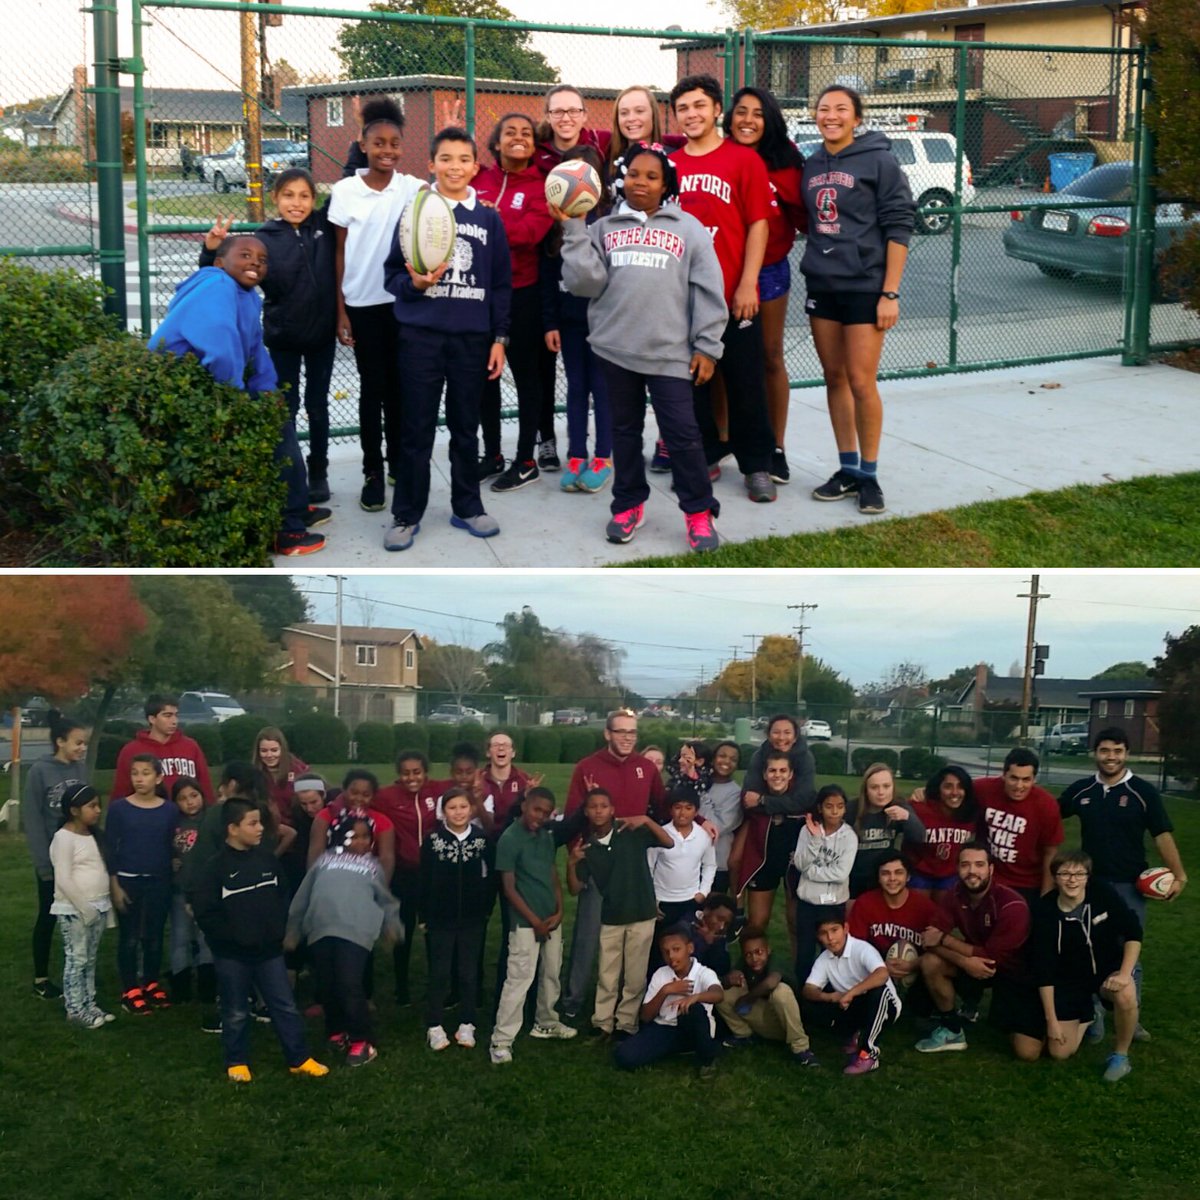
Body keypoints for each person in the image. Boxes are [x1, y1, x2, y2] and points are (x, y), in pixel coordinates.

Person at [558, 141, 727, 552]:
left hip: (671, 354)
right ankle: (629, 503)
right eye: (634, 174)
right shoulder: (601, 229)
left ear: (666, 183)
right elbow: (585, 284)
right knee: (624, 432)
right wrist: (574, 227)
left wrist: (707, 346)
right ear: (622, 177)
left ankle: (698, 512)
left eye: (652, 177)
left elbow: (708, 290)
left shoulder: (688, 229)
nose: (641, 183)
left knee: (683, 436)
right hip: (616, 351)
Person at [149, 234, 324, 555]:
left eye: (262, 259)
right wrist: (238, 400)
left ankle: (295, 507)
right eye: (245, 255)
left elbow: (255, 349)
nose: (255, 262)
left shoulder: (247, 296)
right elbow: (221, 345)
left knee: (280, 420)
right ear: (219, 262)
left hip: (208, 384)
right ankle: (287, 530)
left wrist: (267, 391)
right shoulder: (216, 286)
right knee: (276, 436)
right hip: (178, 391)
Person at [382, 126, 511, 551]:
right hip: (420, 338)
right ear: (431, 164)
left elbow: (500, 285)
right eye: (446, 159)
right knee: (415, 429)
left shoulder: (489, 218)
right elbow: (392, 276)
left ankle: (467, 506)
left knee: (465, 428)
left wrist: (499, 338)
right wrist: (415, 285)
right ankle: (406, 514)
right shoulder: (417, 211)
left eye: (463, 160)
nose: (454, 167)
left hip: (471, 341)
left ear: (476, 167)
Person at [801, 85, 914, 515]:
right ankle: (847, 468)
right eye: (824, 108)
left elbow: (899, 224)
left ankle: (869, 475)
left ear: (857, 117)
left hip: (866, 286)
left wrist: (890, 291)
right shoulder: (811, 163)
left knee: (861, 380)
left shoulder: (879, 159)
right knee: (834, 378)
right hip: (823, 283)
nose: (830, 116)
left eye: (840, 109)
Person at [669, 74, 778, 504]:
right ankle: (707, 455)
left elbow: (758, 224)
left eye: (699, 106)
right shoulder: (670, 164)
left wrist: (748, 282)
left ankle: (757, 465)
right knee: (691, 385)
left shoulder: (743, 161)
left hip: (732, 294)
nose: (691, 114)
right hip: (683, 298)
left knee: (745, 384)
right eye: (683, 108)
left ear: (718, 110)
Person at [199, 167, 337, 502]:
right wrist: (210, 248)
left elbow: (349, 180)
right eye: (288, 195)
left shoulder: (324, 226)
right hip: (283, 337)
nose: (296, 203)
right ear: (274, 198)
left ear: (314, 200)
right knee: (284, 408)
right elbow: (226, 271)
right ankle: (289, 475)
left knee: (318, 407)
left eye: (305, 196)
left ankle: (319, 472)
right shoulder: (264, 238)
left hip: (321, 335)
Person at [329, 96, 426, 513]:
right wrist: (341, 310)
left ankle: (397, 465)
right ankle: (372, 471)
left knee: (402, 391)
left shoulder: (412, 188)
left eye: (395, 143)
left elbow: (453, 177)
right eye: (379, 143)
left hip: (402, 304)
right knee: (373, 390)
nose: (387, 150)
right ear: (363, 146)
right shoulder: (346, 190)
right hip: (363, 305)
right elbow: (338, 253)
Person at [1059, 726, 1185, 1041]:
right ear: (1095, 754)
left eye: (1117, 750)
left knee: (1128, 950)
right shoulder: (1082, 790)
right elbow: (1047, 814)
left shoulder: (1143, 792)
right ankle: (1093, 1014)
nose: (1110, 757)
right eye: (1104, 750)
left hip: (1129, 886)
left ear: (1126, 753)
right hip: (1088, 886)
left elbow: (1162, 834)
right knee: (1085, 947)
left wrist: (1178, 874)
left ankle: (1132, 1015)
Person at [189, 798, 328, 1083]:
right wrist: (232, 939)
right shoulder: (215, 868)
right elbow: (206, 913)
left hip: (269, 952)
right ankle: (236, 1061)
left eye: (260, 822)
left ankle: (299, 1058)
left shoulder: (266, 859)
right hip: (232, 956)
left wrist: (278, 930)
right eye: (252, 823)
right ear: (232, 829)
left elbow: (282, 896)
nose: (260, 828)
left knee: (284, 1005)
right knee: (236, 1009)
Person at [724, 86, 806, 484]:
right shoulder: (719, 154)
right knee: (719, 360)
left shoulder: (786, 162)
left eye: (757, 113)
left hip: (769, 270)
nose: (748, 120)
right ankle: (722, 440)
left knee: (770, 356)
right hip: (721, 272)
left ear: (769, 119)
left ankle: (776, 446)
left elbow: (808, 217)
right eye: (741, 112)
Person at [562, 708, 667, 1020]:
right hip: (597, 863)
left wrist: (699, 820)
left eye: (632, 733)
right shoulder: (587, 767)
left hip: (632, 869)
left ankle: (623, 1008)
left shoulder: (645, 767)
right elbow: (572, 814)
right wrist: (580, 856)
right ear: (608, 733)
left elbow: (664, 807)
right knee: (588, 936)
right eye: (621, 732)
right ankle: (572, 1002)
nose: (627, 738)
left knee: (628, 940)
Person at [475, 112, 556, 491]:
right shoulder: (480, 180)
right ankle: (492, 454)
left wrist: (491, 223)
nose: (518, 137)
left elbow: (530, 233)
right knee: (484, 378)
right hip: (479, 294)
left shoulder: (542, 186)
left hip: (523, 293)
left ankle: (526, 459)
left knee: (527, 377)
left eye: (526, 133)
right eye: (510, 132)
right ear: (496, 142)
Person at [286, 809, 400, 1068]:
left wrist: (391, 925)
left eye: (365, 837)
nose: (361, 842)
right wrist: (293, 930)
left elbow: (386, 900)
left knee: (349, 984)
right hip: (321, 930)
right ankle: (337, 1030)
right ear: (338, 836)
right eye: (354, 836)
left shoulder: (372, 867)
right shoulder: (323, 862)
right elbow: (302, 897)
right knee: (327, 985)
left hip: (355, 932)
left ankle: (362, 1040)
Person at [1014, 849, 1142, 1082]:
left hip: (1105, 972)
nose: (1072, 880)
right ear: (1055, 877)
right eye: (1064, 873)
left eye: (1079, 873)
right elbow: (1044, 968)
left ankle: (1120, 1056)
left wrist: (1124, 974)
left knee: (1126, 993)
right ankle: (1089, 1015)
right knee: (1059, 1052)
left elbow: (1133, 931)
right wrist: (1052, 1021)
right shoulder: (1044, 910)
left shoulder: (1103, 893)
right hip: (1067, 982)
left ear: (1088, 876)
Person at [565, 787, 674, 1040]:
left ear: (612, 809)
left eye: (604, 806)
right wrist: (571, 864)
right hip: (611, 916)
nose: (599, 811)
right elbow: (574, 888)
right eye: (593, 807)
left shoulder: (630, 832)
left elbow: (668, 842)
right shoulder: (587, 847)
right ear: (586, 812)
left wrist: (646, 819)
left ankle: (626, 1023)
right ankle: (602, 1022)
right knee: (607, 973)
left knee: (634, 975)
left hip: (641, 912)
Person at [540, 145, 613, 495]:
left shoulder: (606, 224)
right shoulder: (554, 227)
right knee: (576, 389)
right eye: (569, 175)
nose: (576, 184)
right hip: (569, 323)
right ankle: (576, 455)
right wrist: (551, 321)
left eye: (584, 176)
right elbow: (547, 277)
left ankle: (604, 457)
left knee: (603, 390)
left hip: (602, 325)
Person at [489, 787, 579, 1063]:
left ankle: (546, 1022)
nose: (539, 816)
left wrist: (560, 909)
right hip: (526, 923)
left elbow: (552, 874)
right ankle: (501, 1040)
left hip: (550, 919)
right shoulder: (509, 838)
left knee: (551, 974)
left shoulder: (545, 836)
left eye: (546, 812)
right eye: (536, 809)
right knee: (519, 979)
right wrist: (534, 921)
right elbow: (509, 888)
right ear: (525, 805)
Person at [915, 842, 1031, 1053]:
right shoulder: (954, 893)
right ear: (957, 868)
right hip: (975, 962)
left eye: (979, 865)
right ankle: (952, 1030)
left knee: (1024, 1049)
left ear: (991, 869)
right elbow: (929, 938)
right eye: (965, 865)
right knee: (930, 962)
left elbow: (991, 957)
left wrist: (946, 940)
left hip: (1014, 973)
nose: (972, 871)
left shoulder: (1011, 904)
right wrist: (964, 962)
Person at [419, 786, 496, 1052]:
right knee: (439, 972)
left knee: (468, 972)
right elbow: (424, 879)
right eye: (452, 808)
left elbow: (491, 877)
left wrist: (486, 908)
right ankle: (435, 1025)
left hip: (473, 918)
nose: (458, 812)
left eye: (463, 807)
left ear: (471, 809)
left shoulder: (482, 839)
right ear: (443, 812)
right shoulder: (432, 841)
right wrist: (424, 916)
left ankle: (467, 1022)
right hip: (440, 919)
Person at [23, 712, 90, 1000]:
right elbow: (33, 818)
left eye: (84, 743)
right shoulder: (39, 771)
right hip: (53, 858)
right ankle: (41, 978)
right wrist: (43, 863)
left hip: (80, 854)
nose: (82, 748)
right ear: (60, 742)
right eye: (77, 743)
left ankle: (77, 970)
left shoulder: (80, 768)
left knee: (78, 914)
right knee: (49, 915)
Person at [107, 754, 179, 1015]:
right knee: (129, 937)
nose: (139, 778)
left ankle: (150, 982)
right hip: (128, 880)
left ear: (158, 777)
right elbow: (110, 849)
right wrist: (114, 884)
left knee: (154, 936)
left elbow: (173, 844)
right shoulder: (118, 809)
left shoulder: (169, 810)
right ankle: (129, 988)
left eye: (146, 773)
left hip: (159, 881)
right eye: (135, 773)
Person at [371, 752, 441, 1004]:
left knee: (433, 928)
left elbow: (463, 784)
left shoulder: (436, 790)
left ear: (425, 772)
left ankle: (438, 983)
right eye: (406, 773)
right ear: (399, 774)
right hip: (404, 873)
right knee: (404, 930)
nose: (412, 778)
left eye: (417, 772)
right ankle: (402, 987)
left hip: (433, 873)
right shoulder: (387, 796)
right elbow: (360, 799)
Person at [613, 924, 724, 1076]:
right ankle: (674, 1049)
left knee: (694, 1009)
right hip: (665, 1028)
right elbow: (646, 1016)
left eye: (676, 949)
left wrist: (694, 997)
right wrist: (666, 991)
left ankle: (707, 1059)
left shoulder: (703, 973)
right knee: (624, 1056)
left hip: (695, 1029)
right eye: (666, 952)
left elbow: (718, 994)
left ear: (690, 948)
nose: (671, 956)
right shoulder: (661, 974)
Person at [801, 913, 902, 1074]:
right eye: (824, 933)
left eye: (835, 930)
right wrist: (829, 996)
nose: (830, 938)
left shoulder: (862, 949)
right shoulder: (824, 959)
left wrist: (851, 993)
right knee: (808, 1003)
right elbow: (809, 989)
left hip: (885, 1006)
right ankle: (855, 1034)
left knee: (878, 990)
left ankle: (868, 1053)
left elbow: (882, 974)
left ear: (846, 928)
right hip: (853, 1005)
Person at [49, 784, 114, 1029]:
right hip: (74, 910)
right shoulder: (63, 838)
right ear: (74, 810)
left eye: (99, 805)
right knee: (77, 958)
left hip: (98, 906)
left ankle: (89, 1002)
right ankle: (74, 1008)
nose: (98, 810)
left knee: (90, 957)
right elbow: (63, 878)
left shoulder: (93, 836)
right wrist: (84, 908)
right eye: (92, 806)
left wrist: (102, 909)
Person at [733, 747, 812, 935]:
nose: (778, 775)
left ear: (791, 774)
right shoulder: (751, 798)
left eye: (783, 770)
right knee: (757, 923)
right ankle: (754, 963)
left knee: (796, 923)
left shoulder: (802, 799)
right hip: (763, 864)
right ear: (764, 774)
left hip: (794, 864)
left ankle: (799, 965)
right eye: (772, 770)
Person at [974, 748, 1064, 903]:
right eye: (1013, 778)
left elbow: (1051, 853)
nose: (1019, 786)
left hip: (1027, 883)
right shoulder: (985, 788)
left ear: (1034, 779)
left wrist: (1046, 896)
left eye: (1026, 779)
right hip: (989, 878)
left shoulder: (1046, 805)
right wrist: (927, 792)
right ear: (1004, 775)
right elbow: (954, 787)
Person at [718, 926, 817, 1065]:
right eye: (748, 954)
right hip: (764, 1015)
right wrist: (728, 979)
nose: (754, 958)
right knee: (721, 993)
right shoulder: (745, 963)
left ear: (768, 950)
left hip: (788, 1022)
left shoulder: (776, 961)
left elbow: (771, 983)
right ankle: (744, 1035)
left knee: (780, 992)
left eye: (759, 952)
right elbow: (728, 979)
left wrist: (746, 999)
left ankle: (801, 1048)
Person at [793, 785, 858, 985]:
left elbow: (841, 874)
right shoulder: (808, 829)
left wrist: (811, 872)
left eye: (840, 806)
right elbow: (799, 863)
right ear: (820, 808)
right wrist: (815, 840)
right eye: (829, 806)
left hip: (833, 904)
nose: (835, 811)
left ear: (845, 808)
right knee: (805, 952)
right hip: (808, 904)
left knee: (832, 950)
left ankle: (831, 988)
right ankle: (803, 990)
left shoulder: (849, 837)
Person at [848, 852, 938, 989]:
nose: (892, 878)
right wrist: (880, 965)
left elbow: (938, 949)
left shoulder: (925, 907)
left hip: (916, 968)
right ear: (878, 877)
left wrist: (913, 964)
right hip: (874, 968)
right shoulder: (865, 903)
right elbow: (855, 946)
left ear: (908, 877)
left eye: (898, 873)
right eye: (885, 873)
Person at [167, 778, 216, 1019]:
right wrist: (170, 860)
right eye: (183, 798)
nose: (190, 802)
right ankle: (180, 987)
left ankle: (208, 986)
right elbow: (162, 848)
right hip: (179, 890)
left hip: (206, 890)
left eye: (194, 796)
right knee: (180, 937)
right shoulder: (172, 823)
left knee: (206, 937)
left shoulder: (211, 821)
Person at [110, 694, 214, 805]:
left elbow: (205, 785)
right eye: (167, 715)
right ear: (152, 719)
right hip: (149, 817)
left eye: (176, 715)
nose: (174, 721)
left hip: (187, 817)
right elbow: (121, 791)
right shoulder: (131, 750)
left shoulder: (191, 746)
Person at [847, 762, 925, 901]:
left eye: (886, 786)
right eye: (874, 787)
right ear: (866, 790)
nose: (881, 792)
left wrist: (907, 817)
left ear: (893, 787)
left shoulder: (899, 806)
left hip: (884, 878)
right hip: (854, 876)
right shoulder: (852, 809)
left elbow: (919, 837)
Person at [649, 791, 717, 931]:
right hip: (662, 900)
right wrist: (651, 899)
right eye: (678, 807)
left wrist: (703, 892)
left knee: (687, 941)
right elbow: (648, 866)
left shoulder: (704, 836)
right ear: (671, 810)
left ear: (696, 811)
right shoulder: (660, 834)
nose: (682, 813)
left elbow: (710, 865)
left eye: (688, 808)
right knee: (660, 944)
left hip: (690, 899)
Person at [908, 765, 978, 892]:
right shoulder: (920, 808)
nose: (955, 792)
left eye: (960, 786)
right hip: (920, 872)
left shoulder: (971, 813)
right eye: (948, 786)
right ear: (938, 788)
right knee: (920, 907)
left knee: (946, 907)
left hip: (950, 874)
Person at [699, 740, 742, 893]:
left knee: (711, 912)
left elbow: (715, 827)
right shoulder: (698, 781)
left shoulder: (735, 793)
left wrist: (701, 794)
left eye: (733, 759)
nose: (726, 761)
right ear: (712, 759)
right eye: (722, 756)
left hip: (716, 863)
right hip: (688, 859)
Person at [478, 730, 538, 833]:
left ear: (513, 753)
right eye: (496, 745)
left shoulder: (525, 780)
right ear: (488, 753)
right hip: (484, 836)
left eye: (505, 745)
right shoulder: (478, 779)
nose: (501, 748)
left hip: (515, 837)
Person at [252, 726, 309, 831]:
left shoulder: (298, 769)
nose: (269, 755)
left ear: (282, 749)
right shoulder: (252, 773)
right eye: (264, 751)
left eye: (274, 750)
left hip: (298, 826)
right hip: (265, 827)